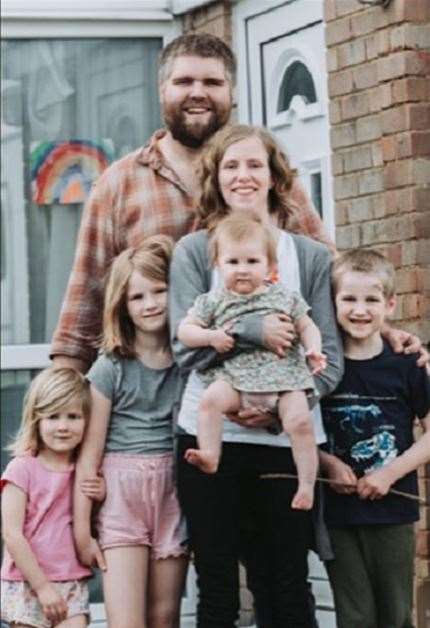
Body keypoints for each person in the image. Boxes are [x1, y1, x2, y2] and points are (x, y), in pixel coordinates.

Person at [50, 32, 335, 374]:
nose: (198, 92)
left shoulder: (264, 179)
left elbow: (332, 277)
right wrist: (59, 398)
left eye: (212, 82)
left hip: (264, 382)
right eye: (184, 81)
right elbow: (85, 306)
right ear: (162, 90)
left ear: (232, 92)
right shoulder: (118, 184)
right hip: (153, 395)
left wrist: (382, 330)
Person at [169, 123, 343, 628]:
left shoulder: (307, 256)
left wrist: (276, 411)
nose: (242, 176)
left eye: (254, 165)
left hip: (283, 442)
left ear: (273, 177)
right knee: (218, 586)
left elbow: (328, 355)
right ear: (215, 179)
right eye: (230, 166)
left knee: (286, 582)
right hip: (210, 438)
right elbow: (185, 348)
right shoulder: (194, 252)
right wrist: (250, 329)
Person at [73, 236, 188, 628]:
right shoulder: (111, 367)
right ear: (122, 304)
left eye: (159, 291)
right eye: (138, 297)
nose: (151, 303)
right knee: (127, 621)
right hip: (122, 493)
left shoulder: (188, 361)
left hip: (172, 491)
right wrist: (82, 530)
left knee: (164, 616)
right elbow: (89, 455)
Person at [178, 214, 327, 511]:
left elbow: (307, 325)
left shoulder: (285, 296)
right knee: (209, 401)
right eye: (233, 262)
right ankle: (210, 454)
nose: (242, 270)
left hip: (284, 377)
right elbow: (184, 332)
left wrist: (313, 349)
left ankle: (307, 484)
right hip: (236, 378)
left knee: (299, 420)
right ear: (218, 265)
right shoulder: (212, 300)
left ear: (270, 266)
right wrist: (211, 336)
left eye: (252, 262)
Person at [320, 249, 430, 628]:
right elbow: (297, 429)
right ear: (333, 302)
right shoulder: (324, 366)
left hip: (393, 511)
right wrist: (328, 463)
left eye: (371, 299)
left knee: (396, 613)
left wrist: (389, 473)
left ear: (390, 303)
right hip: (338, 513)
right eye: (348, 299)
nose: (360, 310)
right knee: (354, 616)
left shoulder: (406, 365)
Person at [1, 367, 105, 628]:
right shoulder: (21, 468)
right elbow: (12, 535)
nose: (62, 426)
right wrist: (42, 587)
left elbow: (94, 521)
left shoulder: (86, 469)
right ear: (37, 420)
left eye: (73, 416)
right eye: (53, 417)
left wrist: (102, 494)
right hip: (27, 581)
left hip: (71, 580)